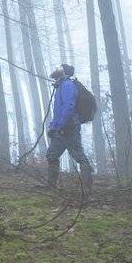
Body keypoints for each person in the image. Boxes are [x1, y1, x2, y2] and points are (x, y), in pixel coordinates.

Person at [45, 63, 93, 191]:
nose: (55, 69)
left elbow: (68, 107)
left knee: (79, 156)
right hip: (60, 129)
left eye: (58, 68)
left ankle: (87, 189)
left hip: (69, 128)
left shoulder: (67, 85)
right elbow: (58, 111)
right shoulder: (60, 86)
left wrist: (60, 126)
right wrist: (53, 128)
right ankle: (51, 186)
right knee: (51, 155)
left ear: (63, 72)